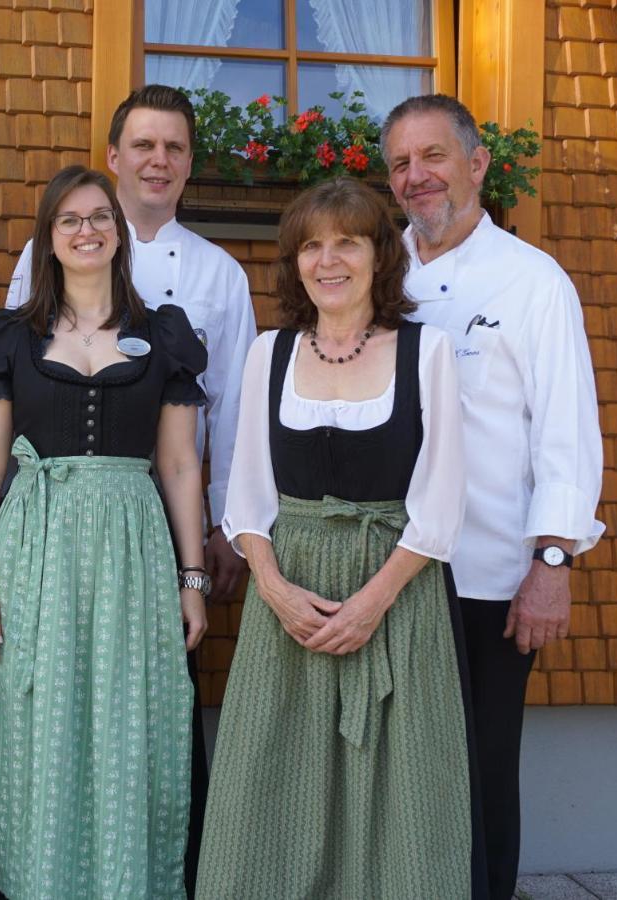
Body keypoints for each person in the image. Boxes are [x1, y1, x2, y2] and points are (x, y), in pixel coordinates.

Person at [197, 178, 477, 899]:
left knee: (397, 791)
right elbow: (249, 494)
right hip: (288, 594)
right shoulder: (270, 353)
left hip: (396, 601)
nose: (329, 260)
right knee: (273, 781)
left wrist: (373, 602)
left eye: (347, 241)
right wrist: (274, 589)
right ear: (294, 262)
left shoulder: (428, 352)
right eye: (312, 245)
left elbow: (441, 503)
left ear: (379, 257)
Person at [6, 85, 255, 887]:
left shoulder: (218, 275)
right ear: (113, 158)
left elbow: (233, 413)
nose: (158, 160)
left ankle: (142, 874)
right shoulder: (40, 261)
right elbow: (12, 397)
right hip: (53, 528)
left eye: (174, 148)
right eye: (143, 145)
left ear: (189, 166)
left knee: (145, 717)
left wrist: (222, 533)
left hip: (155, 529)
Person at [0, 165, 209, 899]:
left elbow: (179, 466)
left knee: (129, 720)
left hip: (133, 546)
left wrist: (192, 579)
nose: (86, 230)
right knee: (35, 720)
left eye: (99, 216)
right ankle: (38, 881)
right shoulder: (13, 337)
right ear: (48, 238)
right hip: (34, 543)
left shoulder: (163, 335)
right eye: (68, 220)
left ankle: (124, 883)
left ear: (119, 231)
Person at [380, 94, 604, 900]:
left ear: (477, 165)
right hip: (387, 574)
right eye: (401, 163)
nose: (417, 177)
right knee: (397, 770)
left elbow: (566, 435)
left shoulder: (532, 281)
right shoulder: (379, 273)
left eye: (433, 157)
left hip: (488, 577)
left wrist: (552, 560)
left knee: (479, 769)